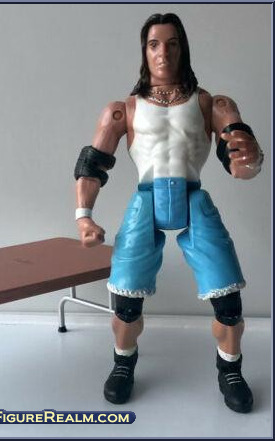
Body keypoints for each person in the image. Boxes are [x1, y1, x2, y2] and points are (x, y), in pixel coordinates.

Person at [74, 13, 263, 414]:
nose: (163, 52)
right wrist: (83, 215)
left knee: (228, 301)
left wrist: (250, 156)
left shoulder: (211, 103)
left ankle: (230, 370)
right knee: (125, 302)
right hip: (146, 200)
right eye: (154, 44)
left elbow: (240, 161)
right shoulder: (123, 110)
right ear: (144, 51)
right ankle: (123, 362)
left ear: (183, 48)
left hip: (193, 197)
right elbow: (92, 165)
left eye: (172, 43)